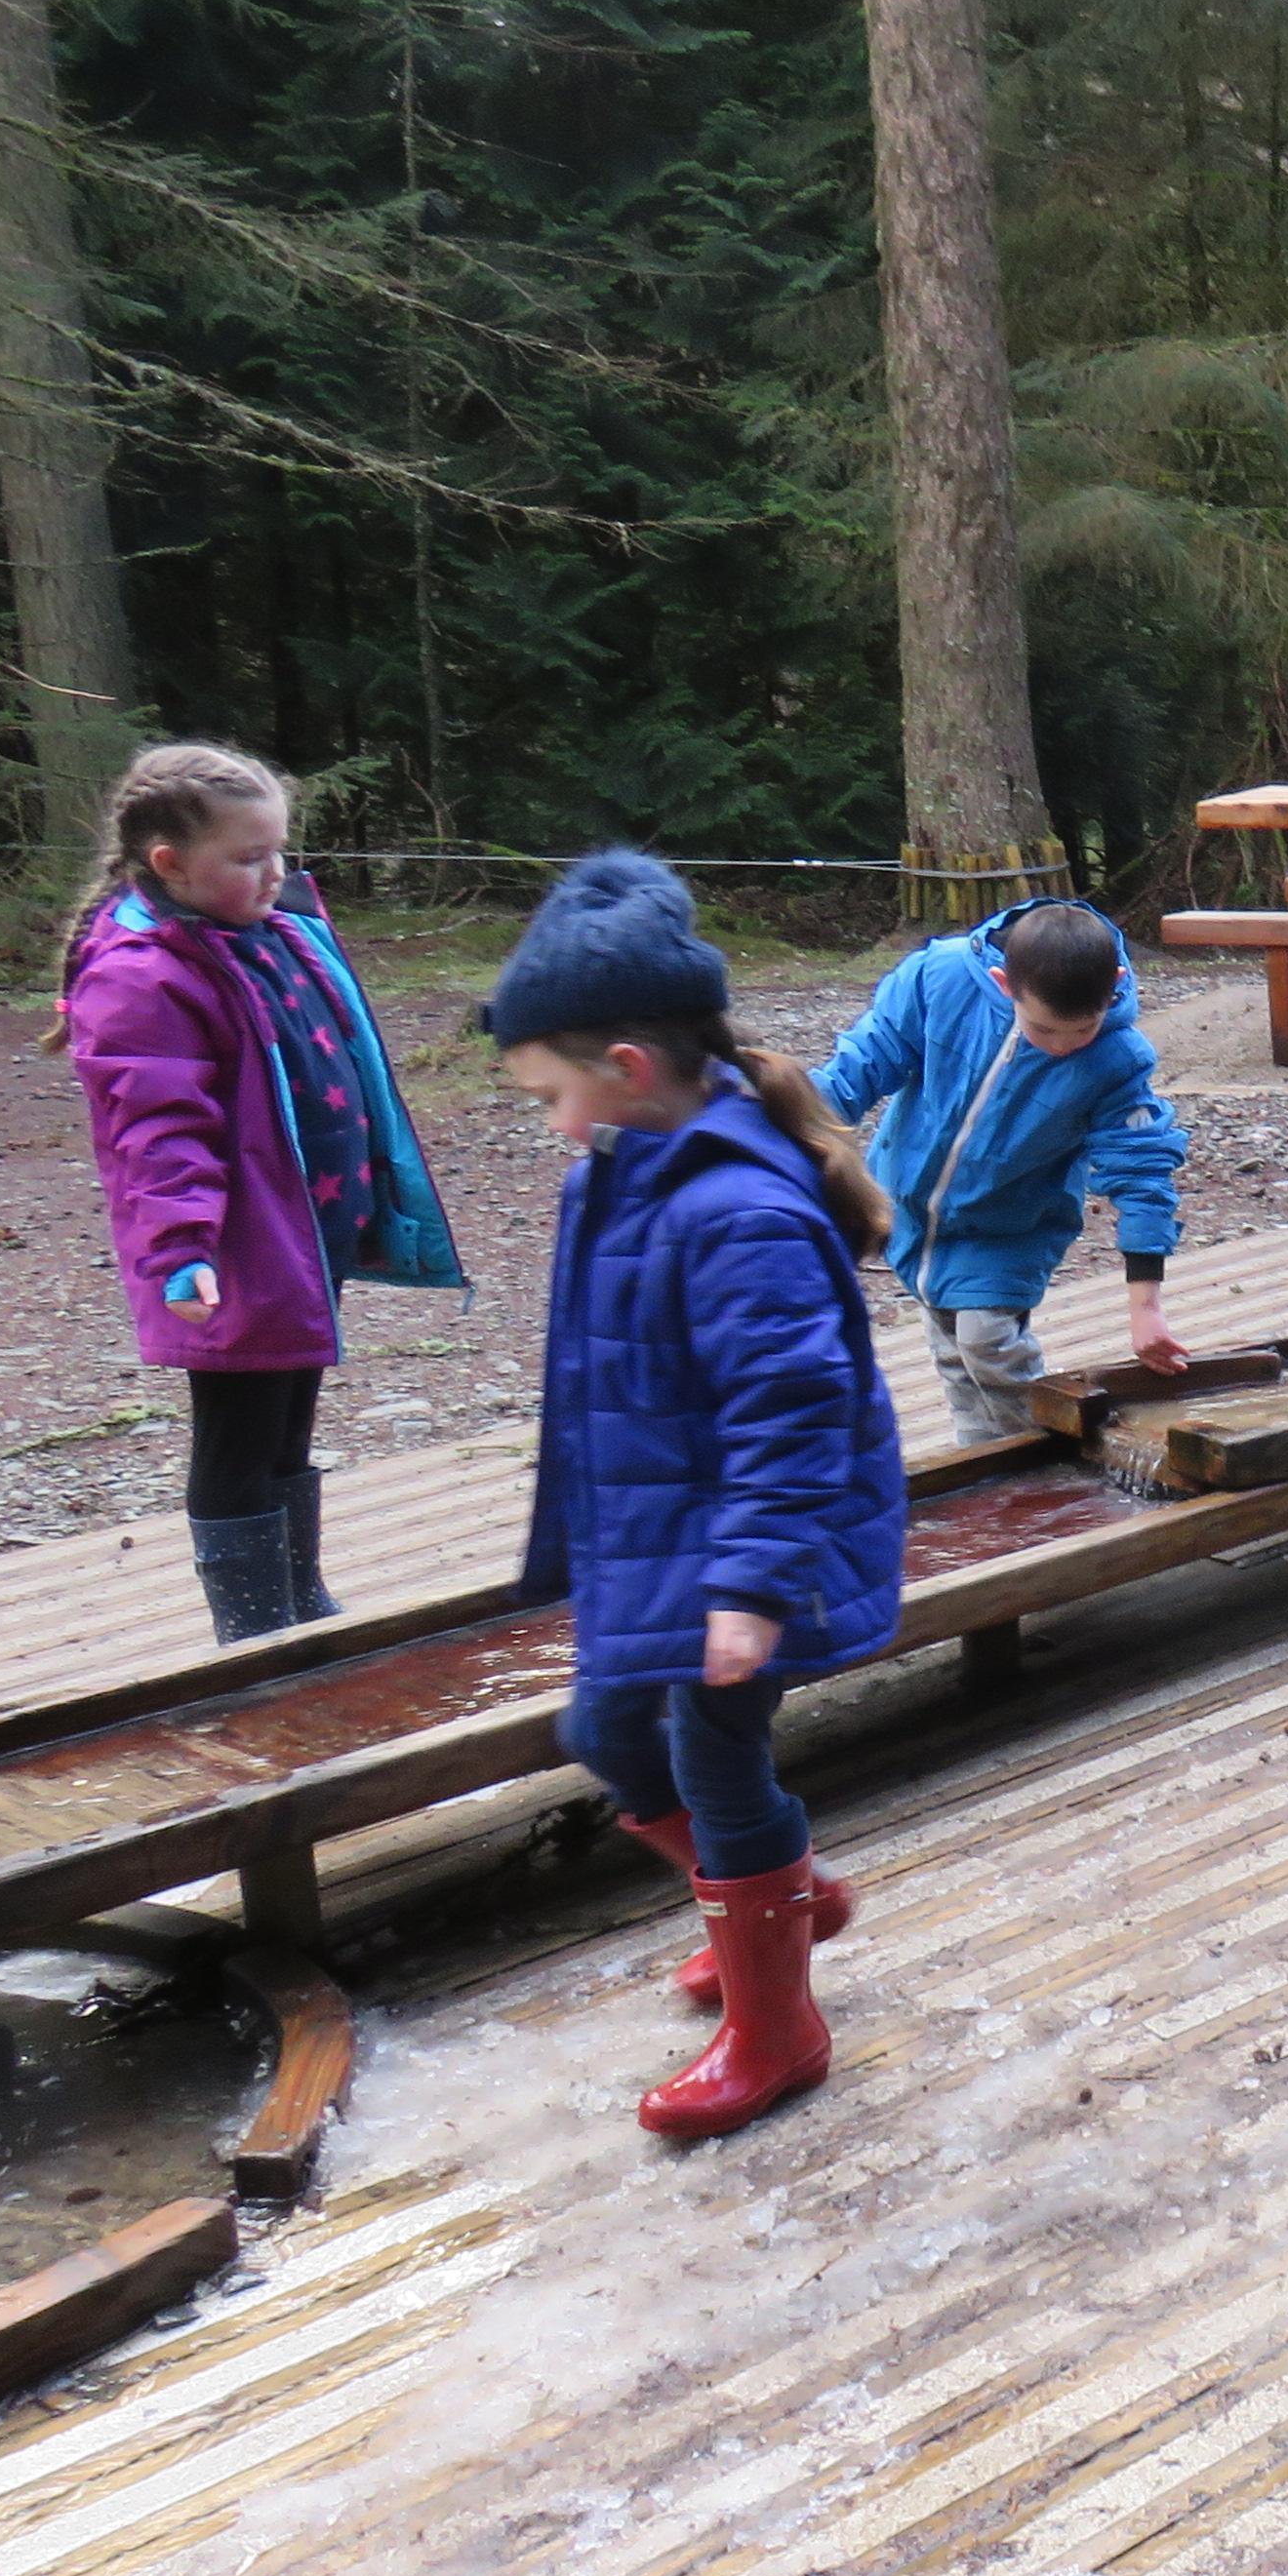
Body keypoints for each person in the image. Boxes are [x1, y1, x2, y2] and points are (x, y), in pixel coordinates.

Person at [487, 852, 908, 2139]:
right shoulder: (623, 1168)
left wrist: (750, 1585)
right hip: (660, 1532)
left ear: (627, 1066)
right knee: (606, 1734)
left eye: (552, 1094)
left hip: (747, 1549)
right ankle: (787, 1895)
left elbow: (792, 1408)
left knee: (715, 1759)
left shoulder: (735, 1208)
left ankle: (778, 2028)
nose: (553, 1123)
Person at [55, 743, 466, 1643]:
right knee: (239, 1435)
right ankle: (251, 1633)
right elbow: (155, 1131)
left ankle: (298, 1602)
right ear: (170, 864)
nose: (274, 872)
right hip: (230, 1250)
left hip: (306, 1233)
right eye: (248, 858)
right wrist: (181, 1249)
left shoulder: (277, 934)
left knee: (289, 1425)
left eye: (279, 850)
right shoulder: (140, 974)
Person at [817, 898, 1190, 1445]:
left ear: (1113, 986)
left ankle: (1047, 1454)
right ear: (1003, 983)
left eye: (1082, 1029)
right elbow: (861, 1065)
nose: (1062, 1046)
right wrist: (788, 1130)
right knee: (953, 1349)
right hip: (909, 1205)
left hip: (1012, 1223)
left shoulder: (1117, 1059)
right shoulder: (939, 981)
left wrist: (1146, 1307)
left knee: (986, 1339)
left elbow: (1142, 1172)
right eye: (1044, 1029)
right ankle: (984, 1459)